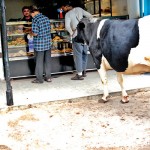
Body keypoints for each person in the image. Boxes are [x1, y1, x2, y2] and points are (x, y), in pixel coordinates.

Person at [61, 2, 93, 80]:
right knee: (84, 53)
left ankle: (79, 74)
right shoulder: (79, 9)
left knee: (78, 55)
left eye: (63, 8)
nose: (62, 9)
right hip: (85, 36)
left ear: (66, 6)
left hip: (77, 36)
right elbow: (90, 16)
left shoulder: (68, 14)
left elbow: (67, 26)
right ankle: (84, 71)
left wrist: (72, 33)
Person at [29, 5, 52, 83]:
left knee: (39, 62)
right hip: (48, 43)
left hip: (39, 44)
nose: (31, 15)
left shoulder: (35, 19)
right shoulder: (46, 18)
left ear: (33, 12)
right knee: (47, 61)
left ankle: (39, 79)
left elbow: (35, 33)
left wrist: (30, 33)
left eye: (30, 14)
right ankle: (48, 77)